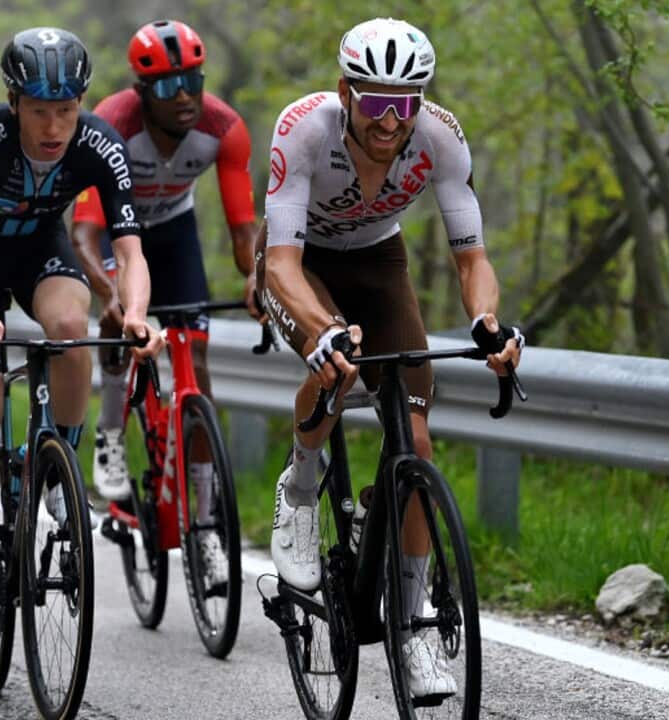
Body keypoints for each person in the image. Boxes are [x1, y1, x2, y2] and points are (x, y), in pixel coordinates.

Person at [257, 18, 523, 697]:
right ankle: (299, 487)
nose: (389, 120)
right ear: (346, 92)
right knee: (333, 363)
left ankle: (412, 633)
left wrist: (487, 322)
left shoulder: (439, 136)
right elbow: (281, 264)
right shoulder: (304, 130)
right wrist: (323, 327)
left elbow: (473, 259)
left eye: (404, 103)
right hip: (303, 264)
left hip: (379, 261)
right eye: (375, 102)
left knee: (418, 441)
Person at [0, 27, 164, 657]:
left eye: (67, 109)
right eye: (40, 110)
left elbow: (129, 251)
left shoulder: (98, 143)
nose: (55, 125)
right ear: (14, 103)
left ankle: (60, 469)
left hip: (40, 253)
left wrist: (137, 313)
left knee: (68, 328)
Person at [70, 20, 258, 586]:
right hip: (110, 236)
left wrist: (256, 279)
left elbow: (242, 227)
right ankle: (108, 435)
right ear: (140, 90)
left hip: (173, 235)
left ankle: (204, 525)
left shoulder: (223, 129)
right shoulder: (109, 125)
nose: (182, 96)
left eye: (192, 81)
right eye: (166, 86)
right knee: (118, 327)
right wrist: (110, 296)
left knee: (195, 368)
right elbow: (83, 235)